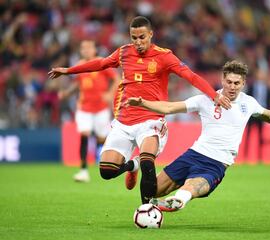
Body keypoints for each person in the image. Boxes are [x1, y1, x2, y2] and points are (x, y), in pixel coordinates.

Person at [48, 16, 231, 203]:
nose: (138, 42)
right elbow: (101, 63)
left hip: (151, 119)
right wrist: (69, 70)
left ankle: (147, 209)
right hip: (124, 120)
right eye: (133, 38)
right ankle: (131, 166)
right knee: (106, 171)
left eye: (142, 37)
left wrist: (214, 95)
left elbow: (190, 76)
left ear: (151, 34)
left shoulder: (164, 56)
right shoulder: (123, 53)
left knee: (147, 161)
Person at [126, 60, 270, 211]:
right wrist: (143, 102)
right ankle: (136, 169)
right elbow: (170, 107)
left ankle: (178, 201)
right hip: (193, 155)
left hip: (216, 164)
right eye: (229, 82)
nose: (232, 87)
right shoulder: (206, 99)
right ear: (222, 80)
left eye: (237, 83)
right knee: (151, 192)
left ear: (243, 84)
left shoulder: (248, 103)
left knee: (188, 191)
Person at [58, 40, 120, 182]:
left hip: (100, 108)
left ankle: (110, 161)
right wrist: (67, 94)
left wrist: (110, 93)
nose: (85, 50)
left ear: (94, 49)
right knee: (84, 134)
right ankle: (83, 170)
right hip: (84, 107)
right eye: (83, 48)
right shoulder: (80, 65)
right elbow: (77, 84)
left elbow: (116, 79)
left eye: (88, 47)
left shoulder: (101, 63)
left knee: (101, 138)